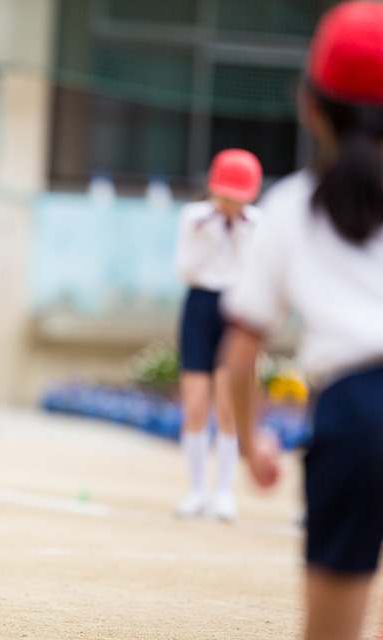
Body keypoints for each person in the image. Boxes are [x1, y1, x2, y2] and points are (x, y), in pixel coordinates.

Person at [222, 3, 383, 639]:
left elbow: (241, 355)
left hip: (356, 419)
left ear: (310, 104)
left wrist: (250, 441)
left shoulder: (291, 207)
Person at [172, 148, 262, 521]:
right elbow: (186, 269)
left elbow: (253, 270)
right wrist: (211, 234)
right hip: (199, 305)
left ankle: (224, 493)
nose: (230, 205)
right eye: (225, 197)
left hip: (235, 309)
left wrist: (238, 232)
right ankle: (196, 491)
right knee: (195, 404)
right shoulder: (193, 217)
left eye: (237, 198)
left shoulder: (257, 224)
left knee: (227, 405)